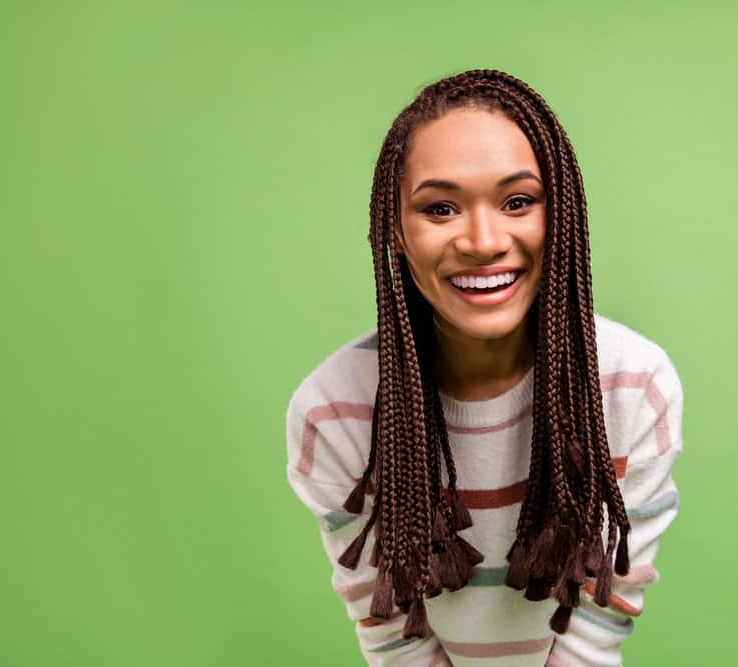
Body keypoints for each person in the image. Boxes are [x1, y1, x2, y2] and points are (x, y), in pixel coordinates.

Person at [285, 69, 685, 666]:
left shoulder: (632, 387)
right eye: (440, 208)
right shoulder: (333, 412)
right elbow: (393, 635)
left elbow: (600, 619)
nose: (482, 240)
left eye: (518, 201)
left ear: (562, 216)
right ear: (393, 230)